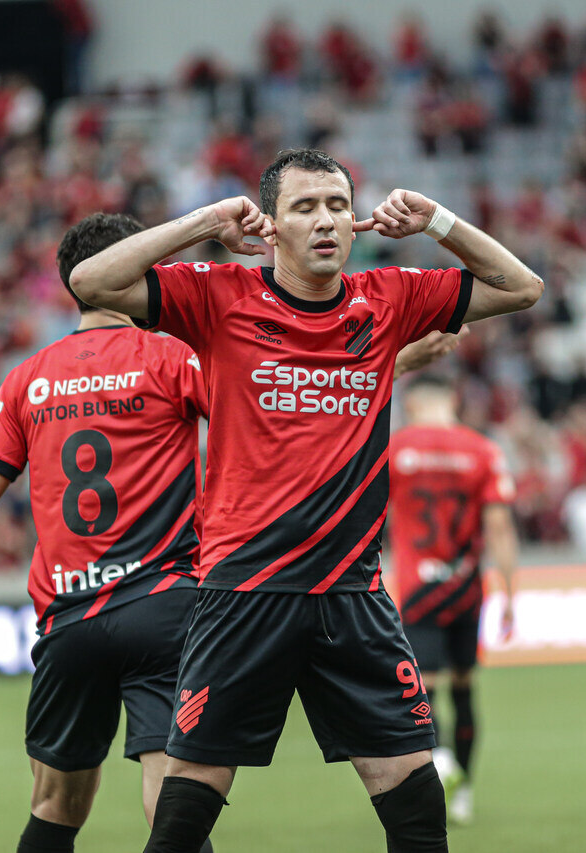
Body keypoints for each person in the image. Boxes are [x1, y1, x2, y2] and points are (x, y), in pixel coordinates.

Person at [70, 147, 543, 853]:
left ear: (355, 224)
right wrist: (205, 220)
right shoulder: (221, 296)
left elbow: (522, 285)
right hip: (244, 593)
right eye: (303, 207)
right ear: (272, 227)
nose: (324, 221)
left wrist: (437, 220)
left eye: (335, 205)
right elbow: (91, 280)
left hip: (352, 595)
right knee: (186, 811)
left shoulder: (390, 298)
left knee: (415, 801)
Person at [0, 213, 215, 853]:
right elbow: (267, 407)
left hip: (68, 619)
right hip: (164, 605)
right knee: (174, 800)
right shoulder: (173, 357)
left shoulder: (27, 377)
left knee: (56, 806)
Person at [387, 373, 519, 825]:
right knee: (465, 689)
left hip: (418, 588)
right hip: (467, 588)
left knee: (423, 689)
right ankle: (464, 789)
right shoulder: (483, 451)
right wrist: (510, 592)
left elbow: (368, 516)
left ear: (414, 402)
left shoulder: (397, 449)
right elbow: (499, 526)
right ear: (453, 399)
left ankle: (440, 760)